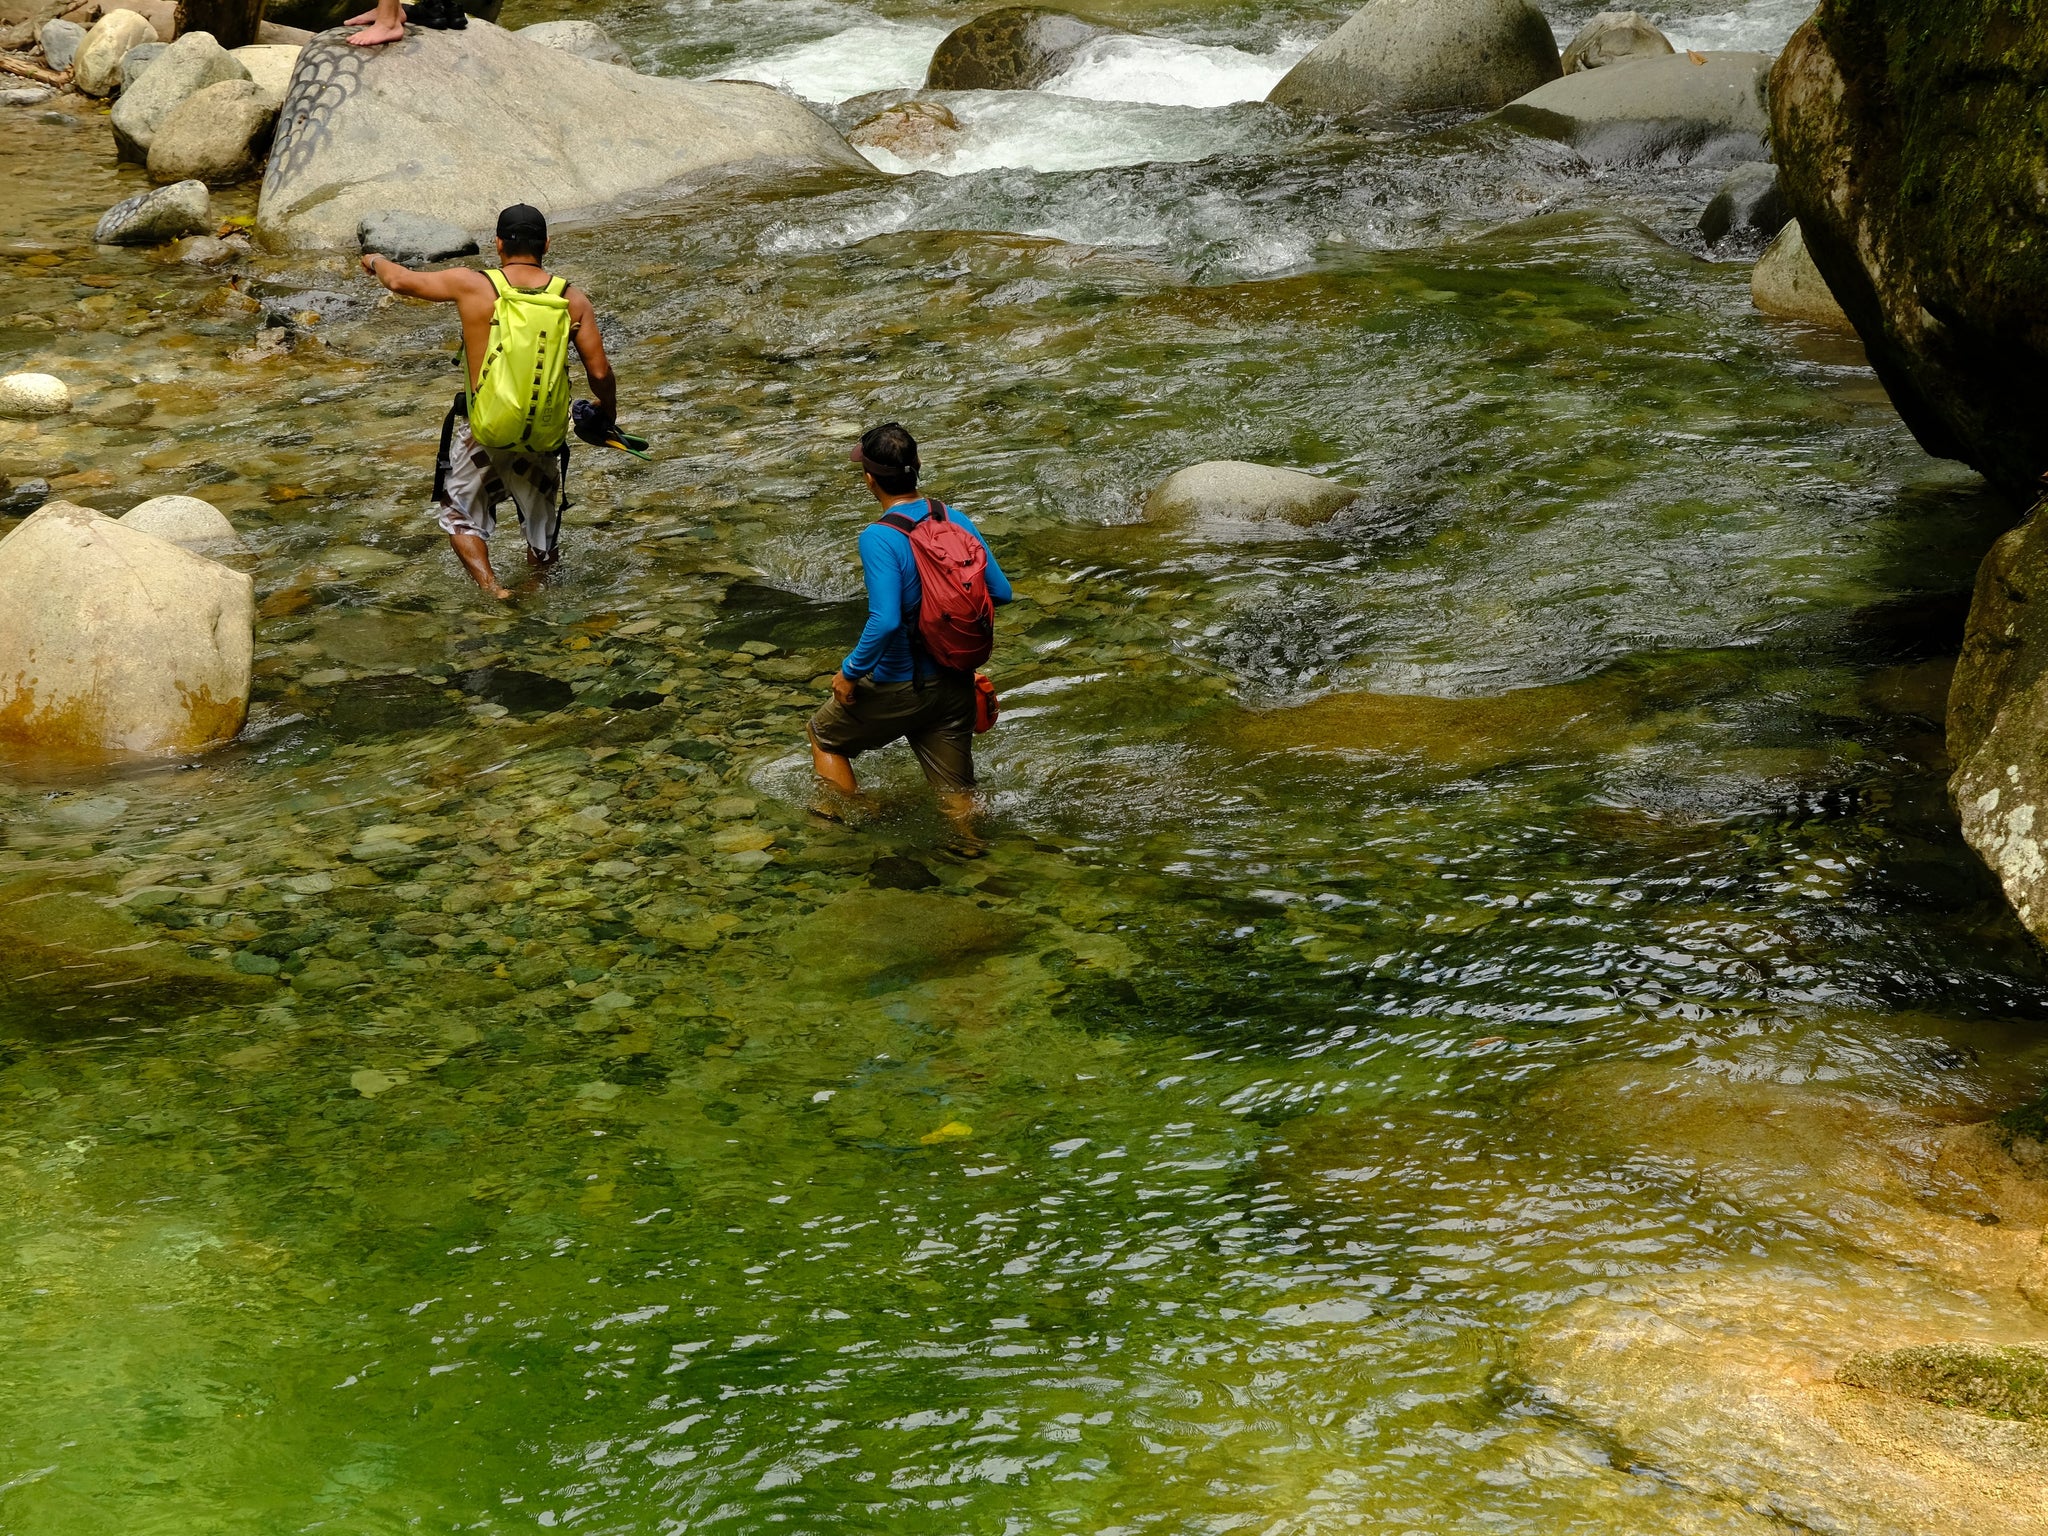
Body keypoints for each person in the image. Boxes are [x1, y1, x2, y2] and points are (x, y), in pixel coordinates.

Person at [359, 203, 618, 600]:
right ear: (546, 245)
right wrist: (606, 414)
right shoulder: (572, 299)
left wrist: (375, 259)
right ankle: (537, 591)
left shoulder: (473, 285)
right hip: (541, 433)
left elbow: (399, 281)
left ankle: (492, 586)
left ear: (497, 244)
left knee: (460, 517)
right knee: (543, 532)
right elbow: (599, 374)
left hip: (483, 429)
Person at [808, 423, 1014, 829]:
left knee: (824, 736)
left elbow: (884, 621)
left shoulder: (879, 537)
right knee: (957, 794)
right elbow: (1001, 592)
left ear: (869, 479)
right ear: (917, 465)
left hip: (898, 685)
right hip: (955, 685)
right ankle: (976, 860)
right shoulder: (954, 518)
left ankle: (852, 824)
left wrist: (849, 673)